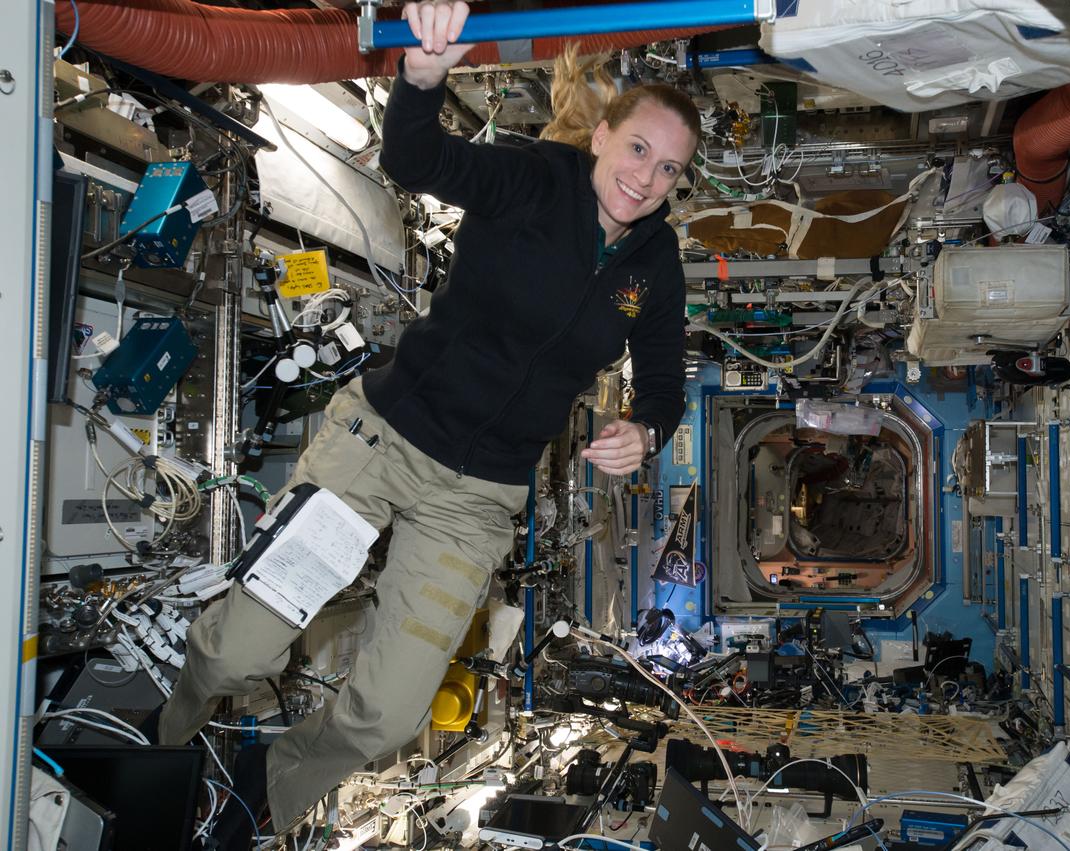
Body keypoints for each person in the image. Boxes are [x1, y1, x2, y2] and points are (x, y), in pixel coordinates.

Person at [158, 2, 701, 847]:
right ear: (600, 136)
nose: (646, 179)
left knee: (386, 715)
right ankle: (170, 730)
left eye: (668, 171)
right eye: (638, 150)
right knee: (235, 655)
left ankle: (258, 795)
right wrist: (420, 76)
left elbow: (665, 379)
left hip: (475, 498)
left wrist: (648, 430)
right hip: (383, 444)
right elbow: (415, 157)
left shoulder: (654, 262)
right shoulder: (528, 178)